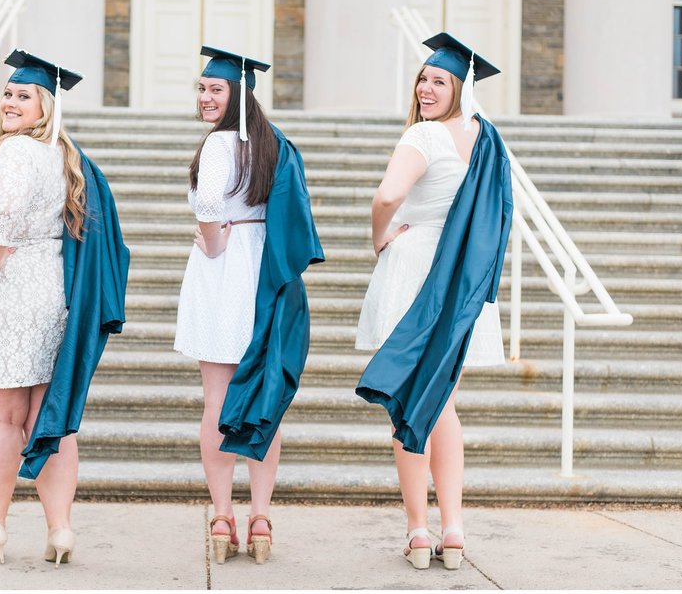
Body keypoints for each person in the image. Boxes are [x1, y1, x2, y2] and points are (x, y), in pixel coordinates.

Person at [0, 49, 128, 567]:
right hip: (51, 295)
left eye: (23, 95)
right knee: (51, 419)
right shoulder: (64, 156)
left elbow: (3, 216)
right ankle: (61, 530)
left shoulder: (13, 152)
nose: (10, 102)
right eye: (7, 93)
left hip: (6, 296)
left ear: (45, 106)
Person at [354, 33, 513, 571]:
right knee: (443, 403)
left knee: (411, 402)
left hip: (416, 271)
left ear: (460, 87)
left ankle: (420, 532)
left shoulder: (423, 136)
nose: (426, 88)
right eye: (422, 78)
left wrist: (379, 236)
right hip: (462, 278)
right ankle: (455, 531)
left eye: (438, 80)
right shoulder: (486, 140)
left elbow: (386, 196)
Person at [174, 46, 323, 565]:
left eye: (216, 88)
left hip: (224, 270)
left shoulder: (219, 144)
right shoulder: (274, 144)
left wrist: (212, 243)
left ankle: (222, 517)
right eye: (202, 88)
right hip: (265, 269)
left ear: (237, 94)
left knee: (217, 399)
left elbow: (211, 205)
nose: (206, 96)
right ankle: (261, 517)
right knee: (263, 398)